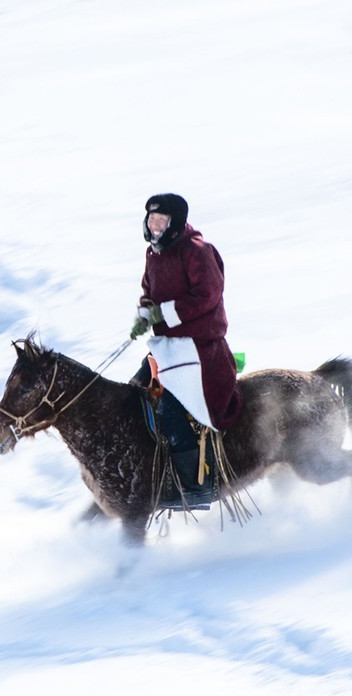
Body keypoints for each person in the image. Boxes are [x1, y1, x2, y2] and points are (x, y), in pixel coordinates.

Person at [129, 193, 242, 508]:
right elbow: (148, 292)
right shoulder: (152, 254)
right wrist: (144, 315)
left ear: (174, 224)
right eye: (151, 221)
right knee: (135, 392)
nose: (155, 227)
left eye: (161, 222)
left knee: (169, 408)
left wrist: (161, 314)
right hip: (168, 347)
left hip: (200, 346)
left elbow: (207, 295)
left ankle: (195, 486)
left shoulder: (197, 251)